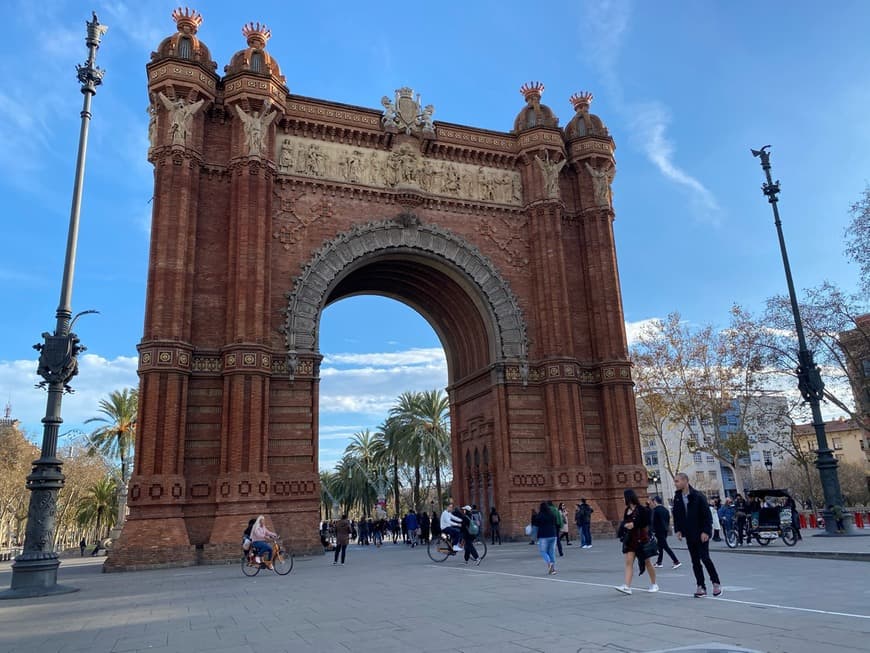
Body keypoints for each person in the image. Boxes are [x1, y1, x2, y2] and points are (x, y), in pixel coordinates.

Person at [672, 473, 722, 598]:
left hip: (701, 533)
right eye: (675, 481)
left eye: (677, 481)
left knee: (705, 558)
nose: (675, 483)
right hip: (689, 534)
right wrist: (678, 530)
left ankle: (716, 583)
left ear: (685, 481)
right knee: (695, 561)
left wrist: (706, 531)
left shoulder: (698, 496)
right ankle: (701, 586)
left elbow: (707, 516)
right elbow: (677, 515)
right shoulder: (677, 497)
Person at [614, 489, 658, 595]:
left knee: (647, 562)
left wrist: (634, 524)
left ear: (629, 498)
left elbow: (645, 522)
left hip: (641, 539)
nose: (622, 499)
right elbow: (625, 522)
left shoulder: (641, 509)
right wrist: (625, 526)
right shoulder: (627, 510)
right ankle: (627, 586)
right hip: (630, 539)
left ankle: (654, 584)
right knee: (629, 562)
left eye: (624, 497)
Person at [651, 496, 681, 569]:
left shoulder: (655, 510)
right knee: (661, 547)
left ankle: (676, 561)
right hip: (665, 530)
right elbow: (667, 520)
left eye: (652, 501)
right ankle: (659, 562)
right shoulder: (665, 510)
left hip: (658, 531)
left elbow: (653, 522)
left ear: (655, 501)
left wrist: (652, 531)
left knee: (665, 547)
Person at [532, 501, 559, 575]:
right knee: (551, 552)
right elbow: (556, 523)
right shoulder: (552, 515)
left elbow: (536, 526)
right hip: (553, 535)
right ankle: (553, 570)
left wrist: (534, 536)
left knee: (543, 551)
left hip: (544, 535)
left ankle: (549, 563)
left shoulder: (540, 516)